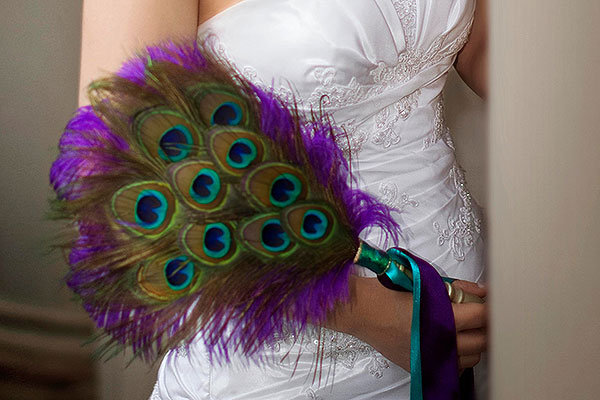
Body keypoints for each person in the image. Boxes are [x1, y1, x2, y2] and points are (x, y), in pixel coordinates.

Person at [79, 0, 488, 398]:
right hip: (296, 353)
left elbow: (480, 48)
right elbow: (122, 178)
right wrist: (372, 314)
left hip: (478, 319)